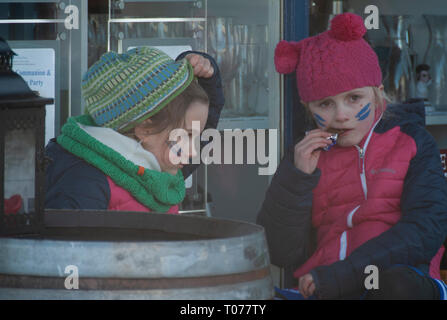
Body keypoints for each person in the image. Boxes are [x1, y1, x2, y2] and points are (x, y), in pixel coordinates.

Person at [257, 13, 447, 299]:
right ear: (307, 107)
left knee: (396, 287)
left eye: (354, 99)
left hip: (400, 282)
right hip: (327, 287)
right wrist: (296, 178)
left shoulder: (413, 142)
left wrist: (345, 275)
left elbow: (425, 230)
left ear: (378, 93)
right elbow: (280, 252)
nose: (341, 115)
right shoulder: (308, 155)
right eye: (325, 104)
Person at [45, 47, 224, 213]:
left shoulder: (158, 164)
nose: (193, 151)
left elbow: (206, 121)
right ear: (145, 128)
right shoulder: (83, 184)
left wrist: (205, 77)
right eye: (184, 135)